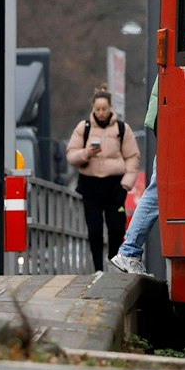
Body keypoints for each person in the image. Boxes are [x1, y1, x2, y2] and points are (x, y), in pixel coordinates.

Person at [67, 89, 139, 272]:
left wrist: (126, 184)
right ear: (93, 108)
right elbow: (71, 155)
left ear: (110, 108)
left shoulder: (122, 129)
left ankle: (113, 261)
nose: (101, 113)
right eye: (97, 109)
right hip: (90, 185)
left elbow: (132, 156)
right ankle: (98, 268)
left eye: (104, 109)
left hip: (115, 186)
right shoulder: (84, 127)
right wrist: (86, 153)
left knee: (116, 227)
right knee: (94, 229)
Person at [110, 75, 159, 277]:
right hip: (171, 125)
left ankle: (129, 251)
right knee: (157, 192)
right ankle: (129, 251)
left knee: (157, 191)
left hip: (165, 123)